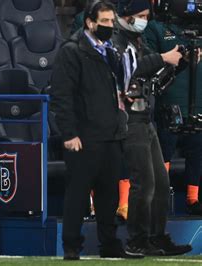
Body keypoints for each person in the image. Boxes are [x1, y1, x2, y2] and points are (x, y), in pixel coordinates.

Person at [50, 0, 135, 260]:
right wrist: (69, 133)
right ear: (90, 22)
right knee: (77, 193)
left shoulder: (110, 51)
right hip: (84, 137)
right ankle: (72, 247)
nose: (110, 26)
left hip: (110, 134)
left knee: (108, 197)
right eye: (105, 22)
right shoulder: (72, 51)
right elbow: (62, 96)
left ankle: (109, 245)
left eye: (112, 21)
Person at [111, 0, 192, 256]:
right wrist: (163, 57)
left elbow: (154, 74)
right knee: (143, 183)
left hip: (146, 117)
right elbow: (131, 68)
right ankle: (137, 239)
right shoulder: (115, 41)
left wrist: (180, 63)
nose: (144, 20)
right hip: (128, 119)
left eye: (146, 15)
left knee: (160, 181)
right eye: (140, 15)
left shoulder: (138, 41)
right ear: (125, 15)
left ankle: (157, 237)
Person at [144, 10, 202, 216]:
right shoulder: (156, 28)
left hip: (198, 103)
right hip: (169, 104)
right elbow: (148, 62)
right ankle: (159, 200)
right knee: (163, 154)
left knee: (198, 153)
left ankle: (193, 200)